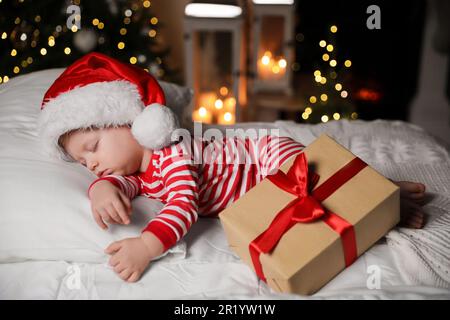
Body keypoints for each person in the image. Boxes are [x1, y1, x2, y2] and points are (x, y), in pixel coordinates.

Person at [39, 52, 426, 283]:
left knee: (315, 192)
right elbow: (125, 186)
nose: (91, 163)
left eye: (92, 148)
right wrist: (102, 189)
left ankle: (379, 198)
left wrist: (146, 245)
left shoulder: (172, 152)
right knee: (294, 216)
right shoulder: (137, 172)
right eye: (82, 162)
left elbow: (183, 205)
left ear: (133, 121)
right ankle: (378, 197)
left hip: (263, 157)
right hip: (256, 192)